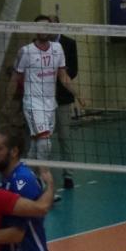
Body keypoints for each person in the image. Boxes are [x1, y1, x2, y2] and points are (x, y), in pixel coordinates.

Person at [11, 16, 83, 161]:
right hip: (33, 104)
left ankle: (28, 170)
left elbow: (64, 76)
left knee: (37, 144)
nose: (43, 30)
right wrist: (10, 104)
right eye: (40, 27)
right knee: (44, 143)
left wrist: (79, 95)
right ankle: (44, 173)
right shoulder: (26, 51)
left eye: (46, 27)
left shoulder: (57, 48)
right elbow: (16, 78)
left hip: (51, 104)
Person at [50, 16, 80, 190]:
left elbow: (73, 71)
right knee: (42, 140)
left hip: (62, 97)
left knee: (64, 137)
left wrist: (58, 73)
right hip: (43, 99)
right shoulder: (39, 44)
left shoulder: (69, 43)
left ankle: (68, 175)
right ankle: (41, 175)